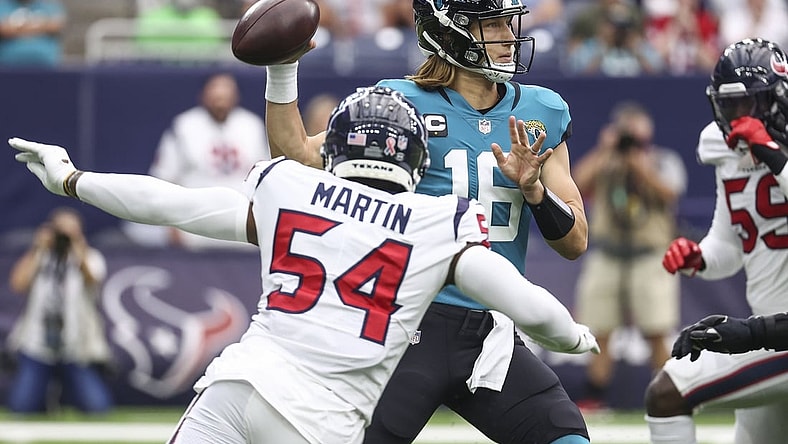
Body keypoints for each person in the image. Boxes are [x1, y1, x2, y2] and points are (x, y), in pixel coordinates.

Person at [8, 85, 599, 443]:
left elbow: (174, 204)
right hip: (319, 424)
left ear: (333, 149)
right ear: (420, 160)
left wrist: (71, 179)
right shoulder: (434, 223)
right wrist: (573, 336)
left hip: (236, 389)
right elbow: (528, 304)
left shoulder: (287, 187)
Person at [264, 1, 592, 443]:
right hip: (405, 323)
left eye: (507, 23)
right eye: (491, 25)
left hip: (490, 332)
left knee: (567, 437)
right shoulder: (401, 102)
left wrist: (535, 190)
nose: (508, 36)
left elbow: (575, 241)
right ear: (451, 32)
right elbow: (299, 159)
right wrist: (281, 70)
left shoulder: (541, 111)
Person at [645, 38, 788, 444]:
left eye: (750, 104)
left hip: (776, 338)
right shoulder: (723, 147)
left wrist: (772, 153)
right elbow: (732, 244)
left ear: (777, 98)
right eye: (730, 106)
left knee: (667, 393)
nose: (739, 117)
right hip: (766, 326)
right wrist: (701, 258)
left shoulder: (767, 146)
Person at [572, 100, 687, 409]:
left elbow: (670, 193)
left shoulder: (662, 161)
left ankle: (671, 397)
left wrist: (639, 166)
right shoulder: (606, 163)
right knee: (601, 329)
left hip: (650, 255)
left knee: (655, 329)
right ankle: (594, 397)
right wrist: (603, 151)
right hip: (608, 254)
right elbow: (577, 183)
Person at [122, 72, 269, 251]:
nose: (221, 99)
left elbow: (265, 179)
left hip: (240, 220)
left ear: (236, 96)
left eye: (226, 92)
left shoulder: (251, 125)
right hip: (194, 220)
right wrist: (171, 223)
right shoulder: (185, 126)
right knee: (138, 229)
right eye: (215, 91)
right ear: (203, 95)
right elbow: (165, 178)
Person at [5, 207, 114, 414]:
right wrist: (37, 248)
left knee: (97, 408)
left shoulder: (90, 256)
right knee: (20, 408)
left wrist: (76, 246)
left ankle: (63, 399)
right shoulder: (40, 255)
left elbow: (93, 279)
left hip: (75, 348)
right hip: (37, 346)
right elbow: (18, 284)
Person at [672, 312, 788, 361]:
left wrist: (757, 331)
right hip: (769, 326)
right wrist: (704, 263)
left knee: (664, 391)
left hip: (775, 344)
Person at [0, 0, 66, 67]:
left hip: (46, 66)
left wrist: (18, 27)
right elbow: (4, 29)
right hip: (7, 67)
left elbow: (56, 26)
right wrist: (40, 25)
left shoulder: (48, 5)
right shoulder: (3, 5)